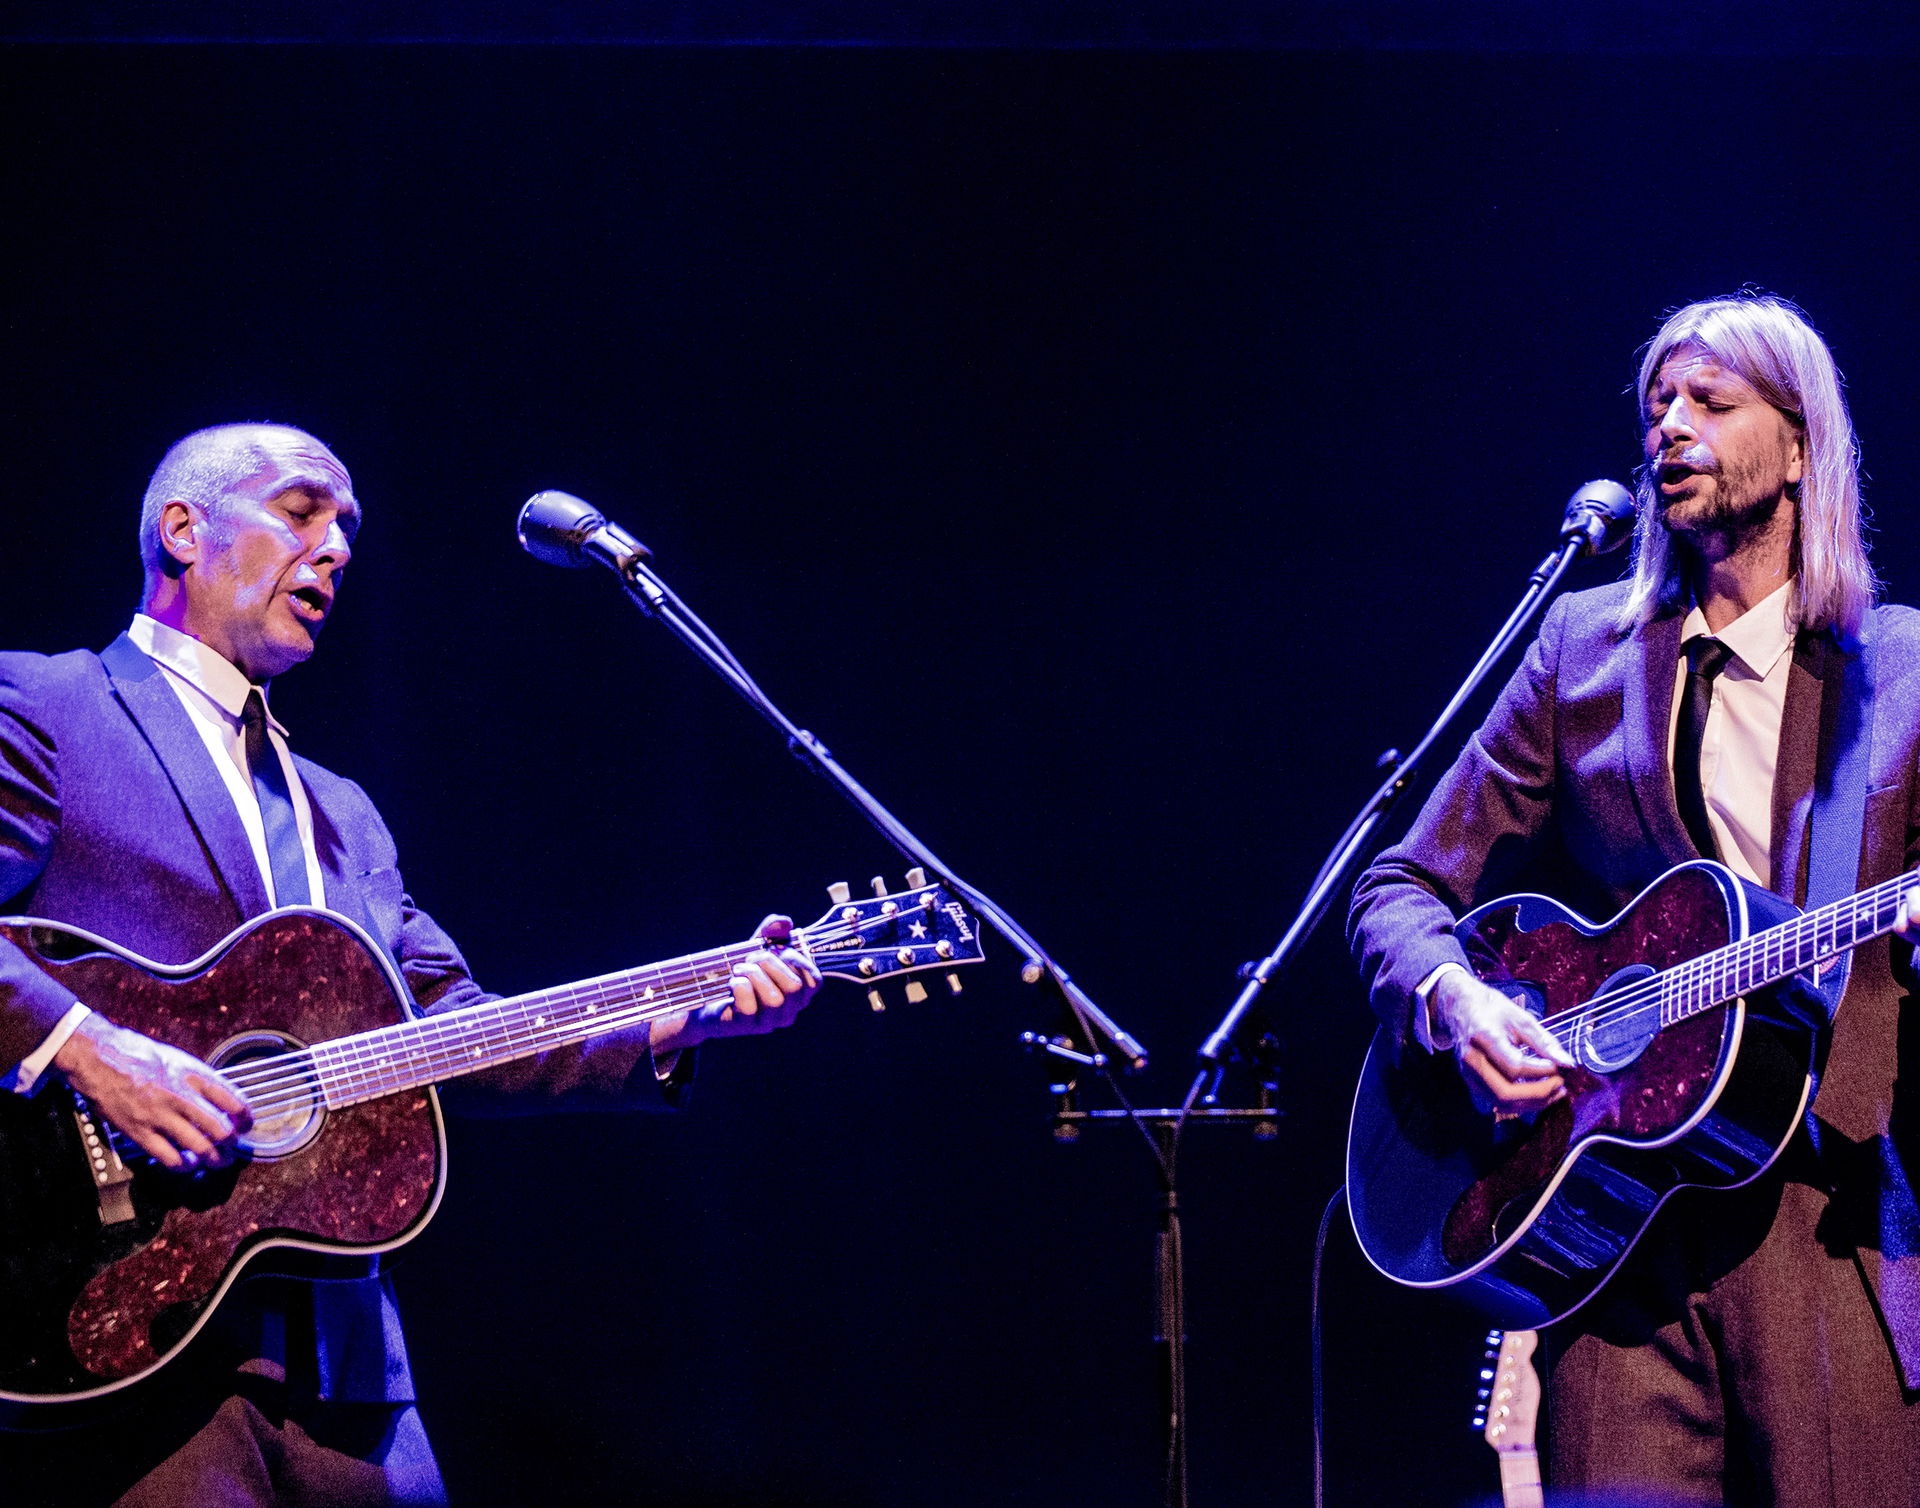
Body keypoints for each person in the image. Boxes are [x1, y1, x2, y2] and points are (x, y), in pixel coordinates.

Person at [0, 423, 819, 1505]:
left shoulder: (343, 813)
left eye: (348, 528)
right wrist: (93, 1050)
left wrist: (685, 1019)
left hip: (351, 1377)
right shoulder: (46, 706)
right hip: (116, 1340)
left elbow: (457, 1030)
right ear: (184, 530)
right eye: (302, 511)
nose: (336, 547)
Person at [1348, 295, 1920, 1506]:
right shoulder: (1581, 648)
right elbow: (1402, 881)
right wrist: (1455, 995)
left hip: (1834, 1234)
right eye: (1658, 403)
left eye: (1711, 403)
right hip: (1614, 1250)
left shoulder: (1906, 673)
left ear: (1802, 441)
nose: (1669, 426)